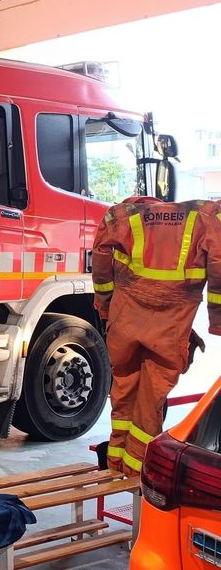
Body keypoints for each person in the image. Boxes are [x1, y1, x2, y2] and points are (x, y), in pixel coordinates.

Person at [91, 196, 221, 476]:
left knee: (123, 393)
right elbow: (219, 267)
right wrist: (217, 321)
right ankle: (137, 472)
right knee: (151, 402)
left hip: (125, 320)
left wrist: (105, 307)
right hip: (170, 324)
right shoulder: (208, 216)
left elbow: (100, 266)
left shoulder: (121, 215)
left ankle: (116, 463)